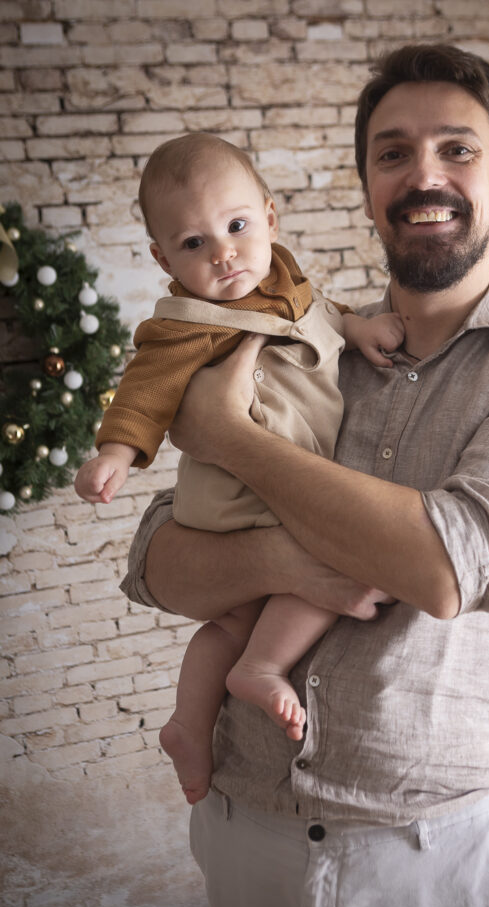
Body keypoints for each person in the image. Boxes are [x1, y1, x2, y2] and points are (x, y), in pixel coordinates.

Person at [121, 43, 489, 907]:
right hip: (245, 829)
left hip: (429, 861)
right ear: (365, 187)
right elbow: (157, 559)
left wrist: (229, 435)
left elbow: (444, 564)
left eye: (455, 149)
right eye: (392, 153)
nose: (422, 174)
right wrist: (274, 556)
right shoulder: (307, 346)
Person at [74, 133, 404, 803]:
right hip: (235, 491)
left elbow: (323, 315)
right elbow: (144, 390)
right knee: (338, 552)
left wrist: (357, 329)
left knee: (227, 620)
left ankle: (188, 727)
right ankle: (260, 667)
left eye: (236, 226)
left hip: (259, 483)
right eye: (193, 244)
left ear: (270, 217)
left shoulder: (287, 284)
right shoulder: (185, 325)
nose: (223, 252)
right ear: (161, 257)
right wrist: (116, 452)